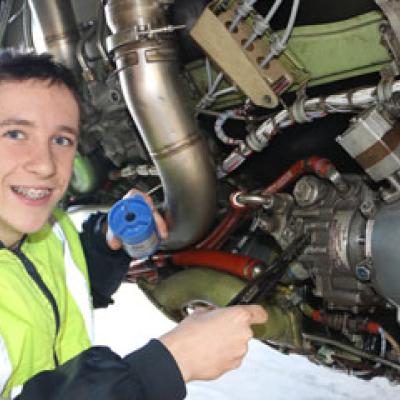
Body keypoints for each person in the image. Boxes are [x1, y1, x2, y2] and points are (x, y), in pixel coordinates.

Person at [0, 50, 267, 400]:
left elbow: (53, 294)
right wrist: (169, 363)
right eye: (15, 134)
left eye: (61, 140)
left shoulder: (47, 231)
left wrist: (105, 243)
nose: (46, 165)